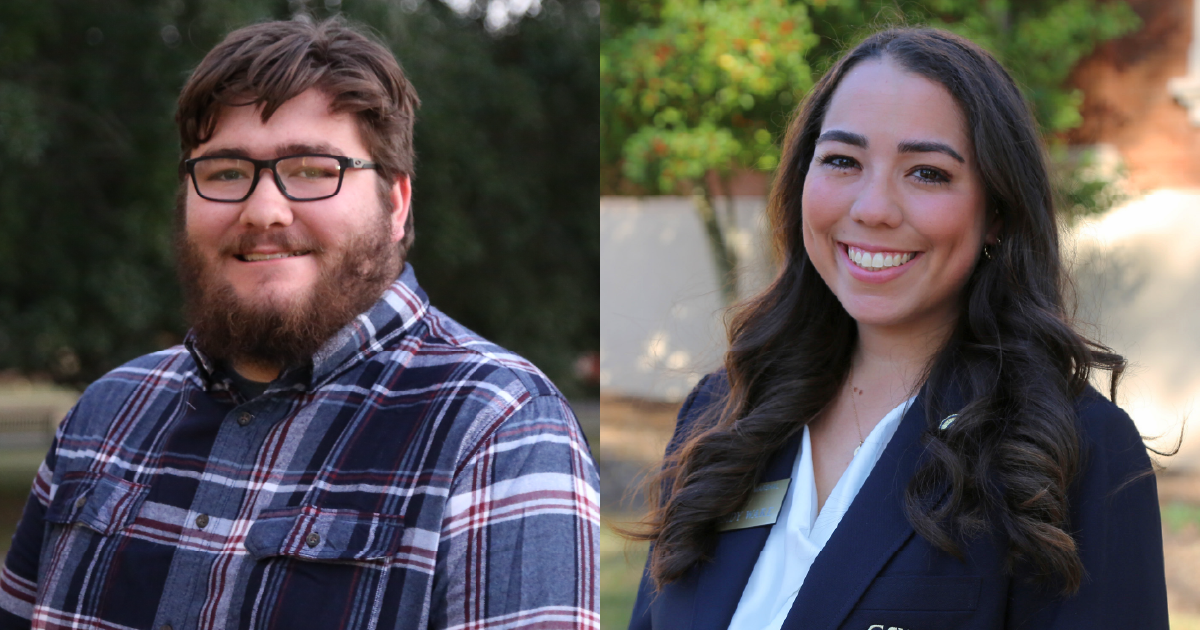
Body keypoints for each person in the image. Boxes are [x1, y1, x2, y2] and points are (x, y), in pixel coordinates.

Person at [0, 17, 598, 630]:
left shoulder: (497, 428)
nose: (263, 211)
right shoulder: (105, 414)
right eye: (225, 171)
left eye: (313, 169)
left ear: (395, 203)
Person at [627, 27, 1167, 629]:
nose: (873, 207)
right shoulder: (720, 414)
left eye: (927, 173)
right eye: (842, 161)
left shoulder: (1076, 452)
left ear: (996, 212)